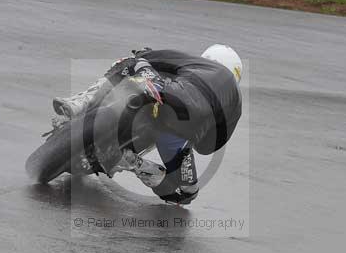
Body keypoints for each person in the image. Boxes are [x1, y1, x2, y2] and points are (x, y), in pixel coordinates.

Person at [53, 45, 243, 205]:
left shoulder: (195, 63)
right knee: (186, 194)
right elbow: (207, 148)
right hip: (177, 135)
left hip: (163, 93)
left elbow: (151, 56)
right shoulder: (236, 103)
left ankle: (79, 103)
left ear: (206, 58)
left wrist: (144, 56)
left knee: (131, 61)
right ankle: (134, 162)